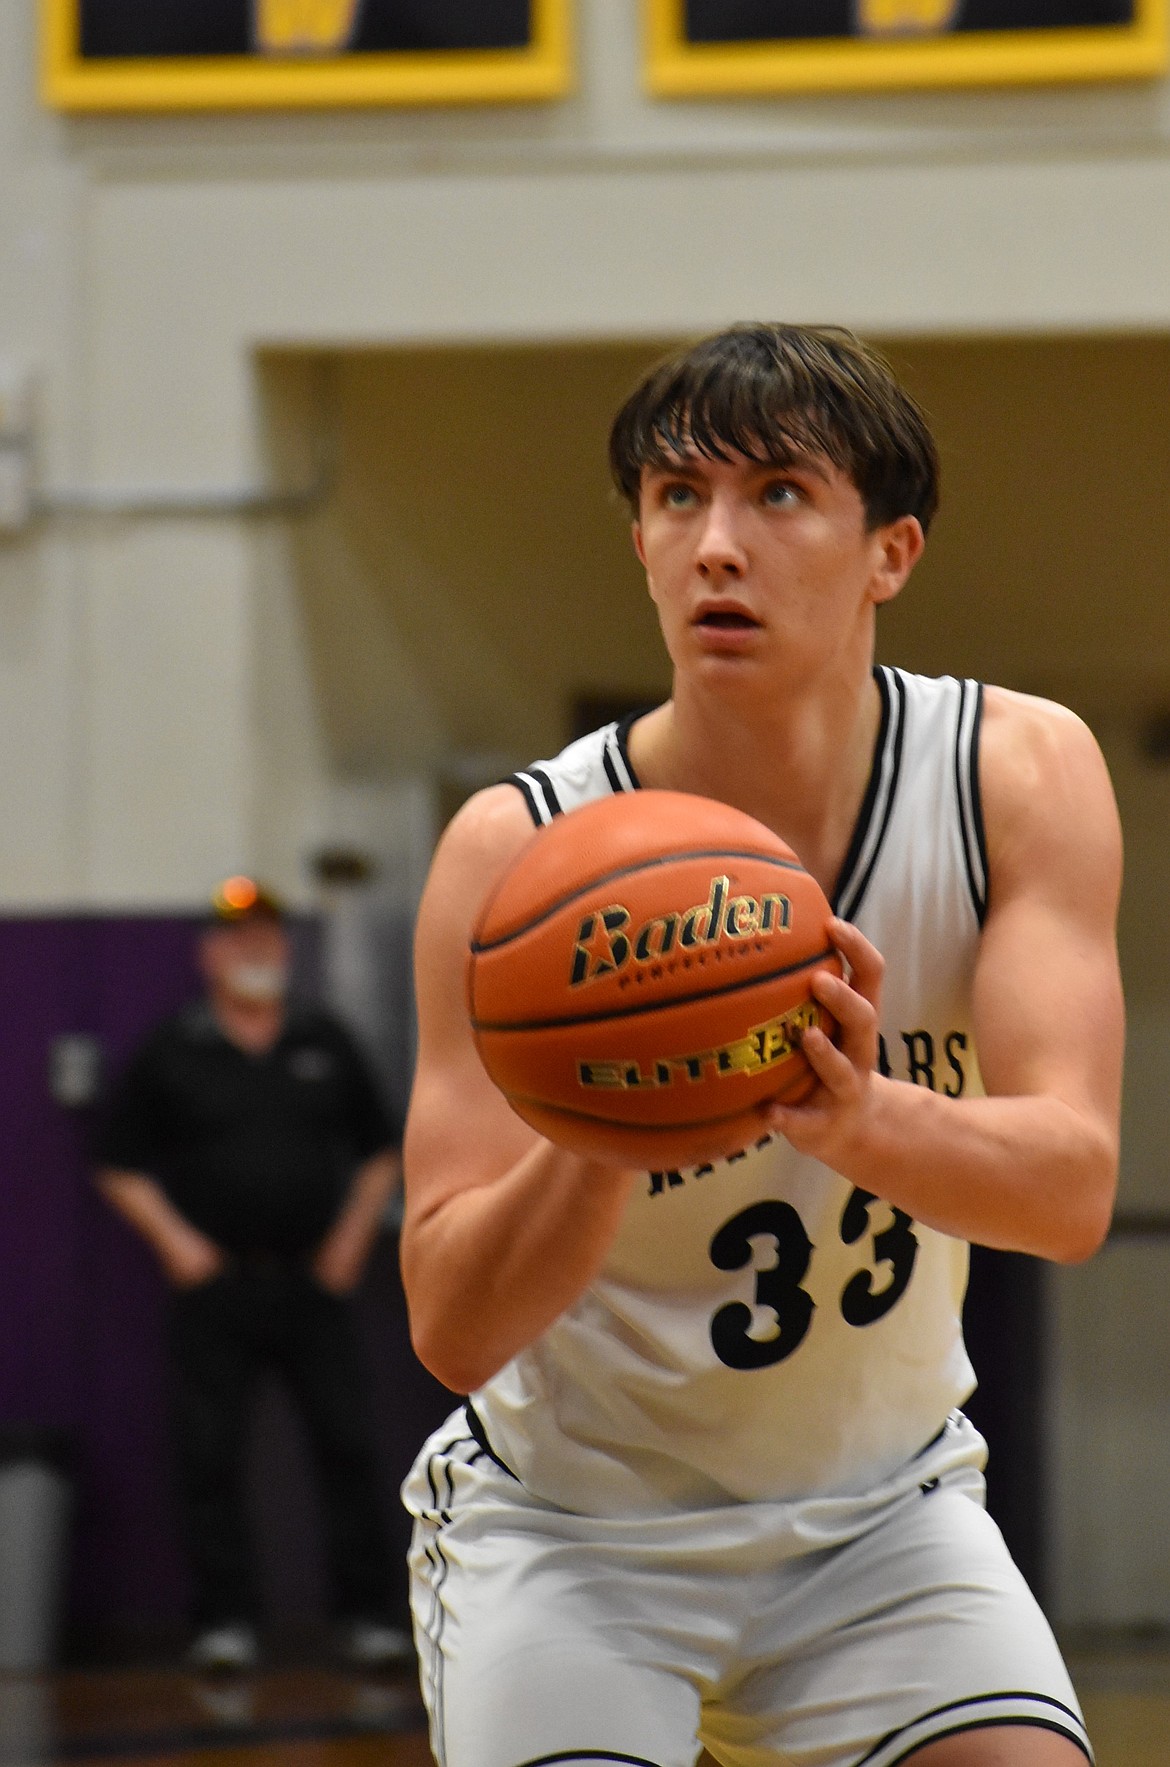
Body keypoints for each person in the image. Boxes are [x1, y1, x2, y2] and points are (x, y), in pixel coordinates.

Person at [398, 324, 1124, 1767]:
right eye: (677, 499)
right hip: (572, 1533)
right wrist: (601, 1138)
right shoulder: (514, 852)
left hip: (878, 1519)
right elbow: (450, 1322)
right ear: (641, 542)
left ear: (890, 552)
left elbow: (1068, 1190)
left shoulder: (1013, 774)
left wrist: (854, 1115)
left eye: (777, 492)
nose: (715, 544)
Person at [95, 877, 411, 1673]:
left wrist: (348, 1241)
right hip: (217, 1289)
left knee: (345, 1445)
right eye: (237, 938)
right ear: (210, 954)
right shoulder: (174, 1049)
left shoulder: (324, 1038)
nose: (254, 949)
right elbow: (118, 1161)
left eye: (266, 936)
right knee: (209, 1454)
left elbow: (381, 1149)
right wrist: (174, 1241)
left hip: (314, 1282)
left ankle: (367, 1616)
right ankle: (225, 1621)